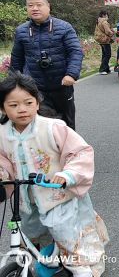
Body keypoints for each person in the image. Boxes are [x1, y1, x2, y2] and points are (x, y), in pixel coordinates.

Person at [0, 72, 109, 277]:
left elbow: (80, 152)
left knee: (67, 237)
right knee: (32, 233)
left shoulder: (53, 128)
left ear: (37, 103)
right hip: (24, 198)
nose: (22, 109)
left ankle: (81, 271)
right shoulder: (2, 134)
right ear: (2, 108)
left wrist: (68, 174)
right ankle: (47, 263)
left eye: (28, 102)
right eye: (13, 105)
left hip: (57, 197)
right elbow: (3, 162)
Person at [10, 0, 83, 130]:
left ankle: (69, 150)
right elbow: (16, 60)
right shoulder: (21, 31)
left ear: (48, 6)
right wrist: (12, 86)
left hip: (62, 85)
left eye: (39, 5)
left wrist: (71, 74)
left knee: (67, 124)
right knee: (42, 125)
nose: (34, 8)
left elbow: (75, 51)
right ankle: (46, 151)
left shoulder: (64, 27)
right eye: (30, 5)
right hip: (35, 88)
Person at [94, 11, 115, 75]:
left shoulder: (98, 21)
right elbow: (108, 31)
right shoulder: (104, 22)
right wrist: (113, 33)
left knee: (104, 54)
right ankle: (102, 69)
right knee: (108, 55)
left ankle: (106, 69)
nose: (107, 17)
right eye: (107, 15)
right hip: (105, 40)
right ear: (104, 15)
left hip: (100, 39)